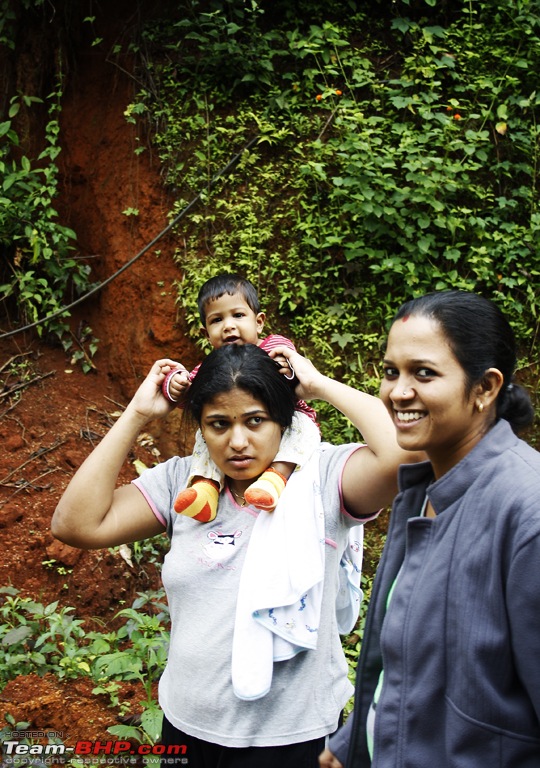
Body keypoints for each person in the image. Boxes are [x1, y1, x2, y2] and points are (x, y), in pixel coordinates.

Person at [51, 342, 422, 768]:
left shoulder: (322, 477)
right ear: (201, 429)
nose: (237, 441)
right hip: (188, 728)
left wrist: (318, 385)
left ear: (283, 420)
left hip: (296, 739)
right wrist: (136, 414)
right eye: (219, 424)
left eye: (256, 421)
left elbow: (406, 454)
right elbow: (75, 524)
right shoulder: (183, 484)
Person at [343, 290, 539, 768]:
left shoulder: (526, 514)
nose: (397, 392)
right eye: (391, 371)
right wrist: (354, 739)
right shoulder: (423, 487)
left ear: (486, 387)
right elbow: (408, 662)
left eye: (423, 373)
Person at [162, 273, 321, 521]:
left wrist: (288, 369)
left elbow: (294, 375)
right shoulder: (210, 368)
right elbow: (191, 397)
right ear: (206, 334)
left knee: (302, 429)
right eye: (217, 320)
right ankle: (205, 487)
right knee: (205, 436)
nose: (228, 326)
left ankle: (275, 477)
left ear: (258, 322)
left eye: (238, 315)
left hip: (288, 417)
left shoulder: (273, 347)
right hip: (239, 428)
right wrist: (175, 384)